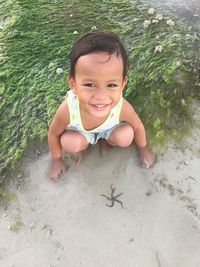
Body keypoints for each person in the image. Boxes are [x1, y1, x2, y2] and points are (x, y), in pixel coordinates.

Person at [48, 32, 155, 181]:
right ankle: (85, 147)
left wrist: (143, 149)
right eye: (90, 84)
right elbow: (53, 133)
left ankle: (106, 141)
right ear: (73, 84)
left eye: (111, 85)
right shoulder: (68, 108)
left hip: (109, 131)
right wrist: (56, 160)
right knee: (70, 143)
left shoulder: (121, 106)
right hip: (80, 134)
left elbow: (137, 127)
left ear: (122, 84)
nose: (101, 96)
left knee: (126, 136)